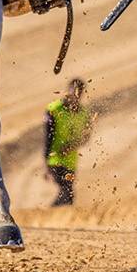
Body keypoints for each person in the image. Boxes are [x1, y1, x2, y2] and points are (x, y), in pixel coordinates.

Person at [43, 77, 92, 206]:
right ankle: (49, 214)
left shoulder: (84, 114)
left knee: (69, 196)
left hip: (71, 163)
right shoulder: (54, 109)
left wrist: (72, 146)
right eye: (74, 92)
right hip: (55, 161)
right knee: (67, 192)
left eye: (79, 93)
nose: (76, 96)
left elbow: (86, 137)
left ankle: (51, 216)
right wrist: (46, 163)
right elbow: (47, 137)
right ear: (68, 91)